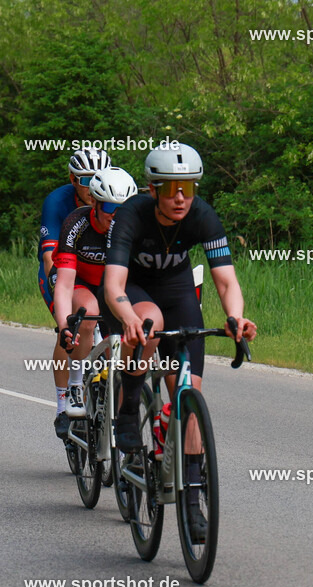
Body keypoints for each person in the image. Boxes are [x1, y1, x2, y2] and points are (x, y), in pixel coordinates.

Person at [103, 143, 256, 542]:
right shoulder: (131, 216)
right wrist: (129, 317)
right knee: (150, 322)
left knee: (189, 396)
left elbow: (225, 280)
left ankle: (192, 501)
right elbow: (113, 284)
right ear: (153, 189)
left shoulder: (202, 215)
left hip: (179, 291)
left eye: (188, 188)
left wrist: (236, 317)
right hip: (136, 291)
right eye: (171, 189)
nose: (181, 198)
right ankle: (129, 406)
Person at [52, 167, 138, 417]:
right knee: (87, 315)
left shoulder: (132, 229)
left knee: (121, 353)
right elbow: (65, 283)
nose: (116, 216)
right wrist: (64, 325)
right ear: (95, 203)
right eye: (110, 209)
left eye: (123, 210)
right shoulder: (76, 223)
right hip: (79, 282)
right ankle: (75, 385)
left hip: (112, 288)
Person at [39, 149, 111, 440]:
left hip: (103, 275)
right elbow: (49, 259)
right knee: (71, 326)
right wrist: (63, 302)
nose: (92, 185)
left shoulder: (112, 201)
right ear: (72, 179)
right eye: (85, 179)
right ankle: (63, 401)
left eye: (97, 178)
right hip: (63, 269)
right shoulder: (58, 202)